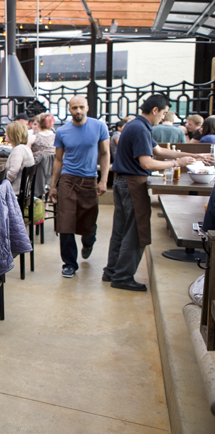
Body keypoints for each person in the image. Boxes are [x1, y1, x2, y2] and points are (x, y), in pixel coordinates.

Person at [106, 95, 206, 291]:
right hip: (133, 184)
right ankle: (123, 276)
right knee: (136, 232)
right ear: (154, 110)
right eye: (162, 113)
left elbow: (158, 150)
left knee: (120, 229)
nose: (162, 117)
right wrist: (177, 163)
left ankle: (111, 271)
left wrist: (192, 155)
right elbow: (147, 163)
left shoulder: (136, 125)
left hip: (122, 182)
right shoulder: (140, 128)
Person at [48, 96, 111, 279]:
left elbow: (105, 154)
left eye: (81, 107)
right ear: (69, 109)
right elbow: (58, 160)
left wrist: (104, 180)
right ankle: (69, 263)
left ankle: (89, 241)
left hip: (89, 179)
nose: (78, 111)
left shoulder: (99, 126)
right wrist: (53, 186)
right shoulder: (62, 131)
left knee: (88, 222)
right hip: (68, 179)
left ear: (87, 107)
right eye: (74, 108)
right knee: (65, 222)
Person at [4, 121, 35, 195]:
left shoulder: (18, 150)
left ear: (13, 134)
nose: (5, 134)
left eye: (7, 132)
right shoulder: (25, 148)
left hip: (14, 192)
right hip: (23, 192)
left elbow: (12, 174)